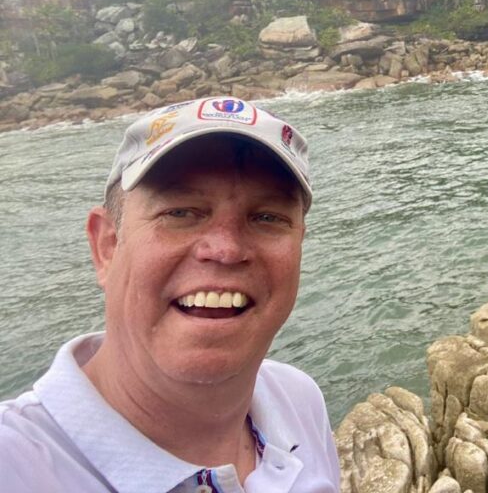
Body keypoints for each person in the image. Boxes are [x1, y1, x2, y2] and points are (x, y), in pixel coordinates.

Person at [0, 96, 341, 491]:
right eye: (180, 212)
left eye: (267, 217)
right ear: (107, 246)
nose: (226, 249)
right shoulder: (15, 466)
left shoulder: (298, 402)